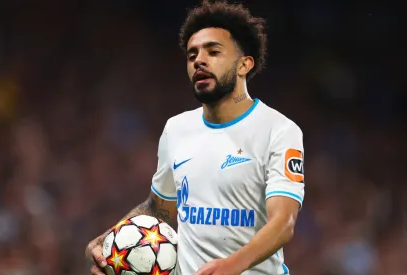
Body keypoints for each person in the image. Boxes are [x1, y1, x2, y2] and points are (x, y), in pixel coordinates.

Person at [85, 1, 305, 274]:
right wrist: (108, 242)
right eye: (192, 55)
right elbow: (160, 209)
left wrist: (231, 266)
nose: (199, 60)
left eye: (213, 51)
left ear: (244, 65)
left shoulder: (279, 130)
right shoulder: (176, 130)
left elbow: (283, 223)